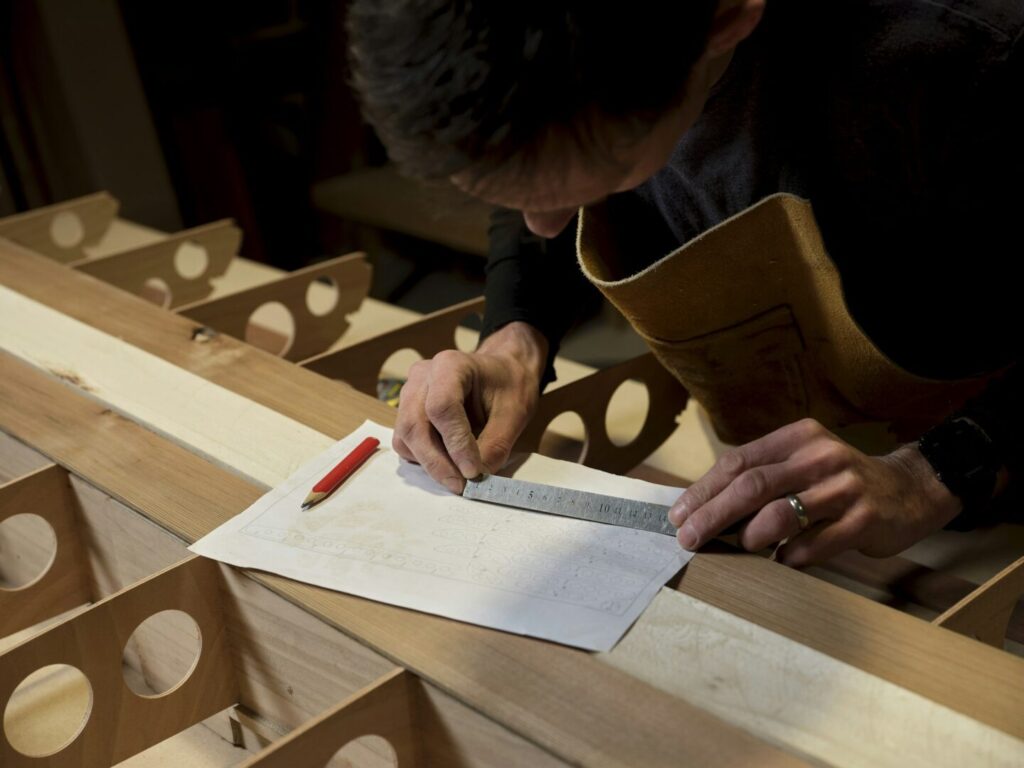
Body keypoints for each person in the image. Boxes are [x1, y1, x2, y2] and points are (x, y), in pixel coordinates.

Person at [346, 0, 1022, 566]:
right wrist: (515, 335)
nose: (543, 225)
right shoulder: (582, 64)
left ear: (729, 20)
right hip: (774, 495)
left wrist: (937, 473)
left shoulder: (970, 59)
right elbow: (538, 159)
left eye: (605, 177)